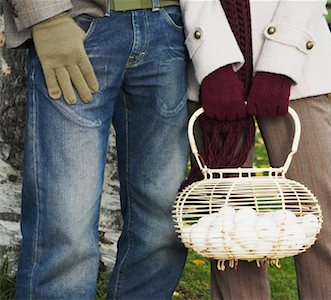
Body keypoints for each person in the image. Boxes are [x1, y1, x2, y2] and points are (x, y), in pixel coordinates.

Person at [3, 0, 194, 298]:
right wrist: (46, 17)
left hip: (169, 25)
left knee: (163, 226)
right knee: (65, 227)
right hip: (78, 26)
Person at [181, 0, 331, 299]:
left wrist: (281, 62)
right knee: (229, 229)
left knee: (318, 218)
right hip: (209, 72)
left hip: (299, 69)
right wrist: (215, 65)